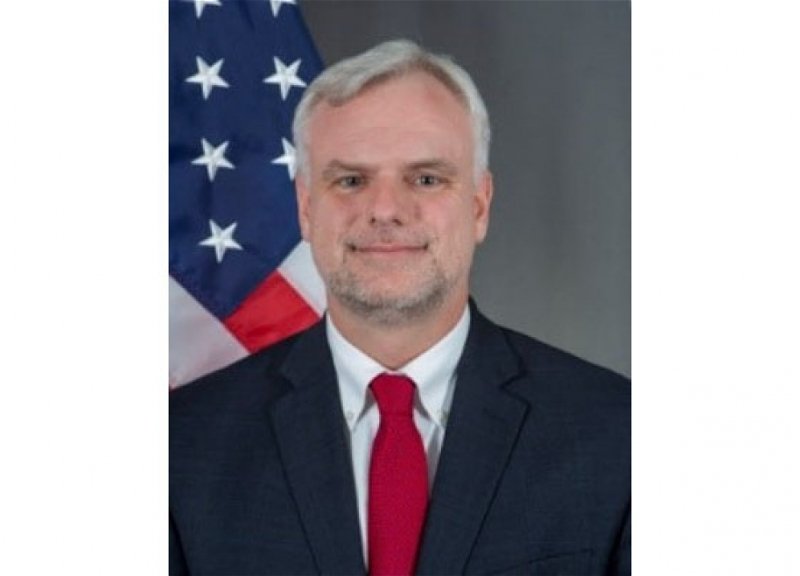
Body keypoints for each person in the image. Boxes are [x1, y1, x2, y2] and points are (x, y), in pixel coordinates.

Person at [170, 39, 630, 576]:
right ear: (306, 209)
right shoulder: (182, 445)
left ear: (479, 206)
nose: (385, 209)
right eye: (351, 180)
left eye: (426, 179)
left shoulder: (618, 434)